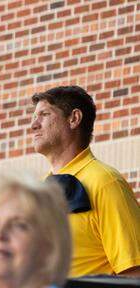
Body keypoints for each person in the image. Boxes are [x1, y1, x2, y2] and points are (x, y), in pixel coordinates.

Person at [30, 86, 140, 277]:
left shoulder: (106, 182)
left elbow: (133, 273)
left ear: (74, 119)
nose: (33, 125)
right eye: (33, 117)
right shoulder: (38, 191)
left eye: (44, 114)